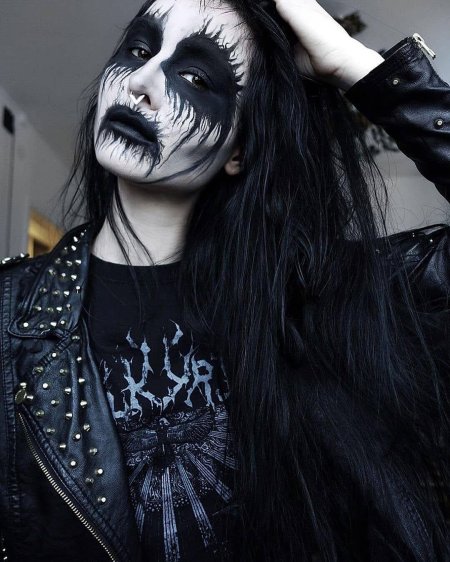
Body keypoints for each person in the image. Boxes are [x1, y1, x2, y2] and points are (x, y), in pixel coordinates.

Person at [0, 0, 449, 560]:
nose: (141, 83)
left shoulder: (325, 302)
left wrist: (358, 67)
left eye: (194, 77)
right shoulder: (9, 317)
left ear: (239, 149)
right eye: (138, 50)